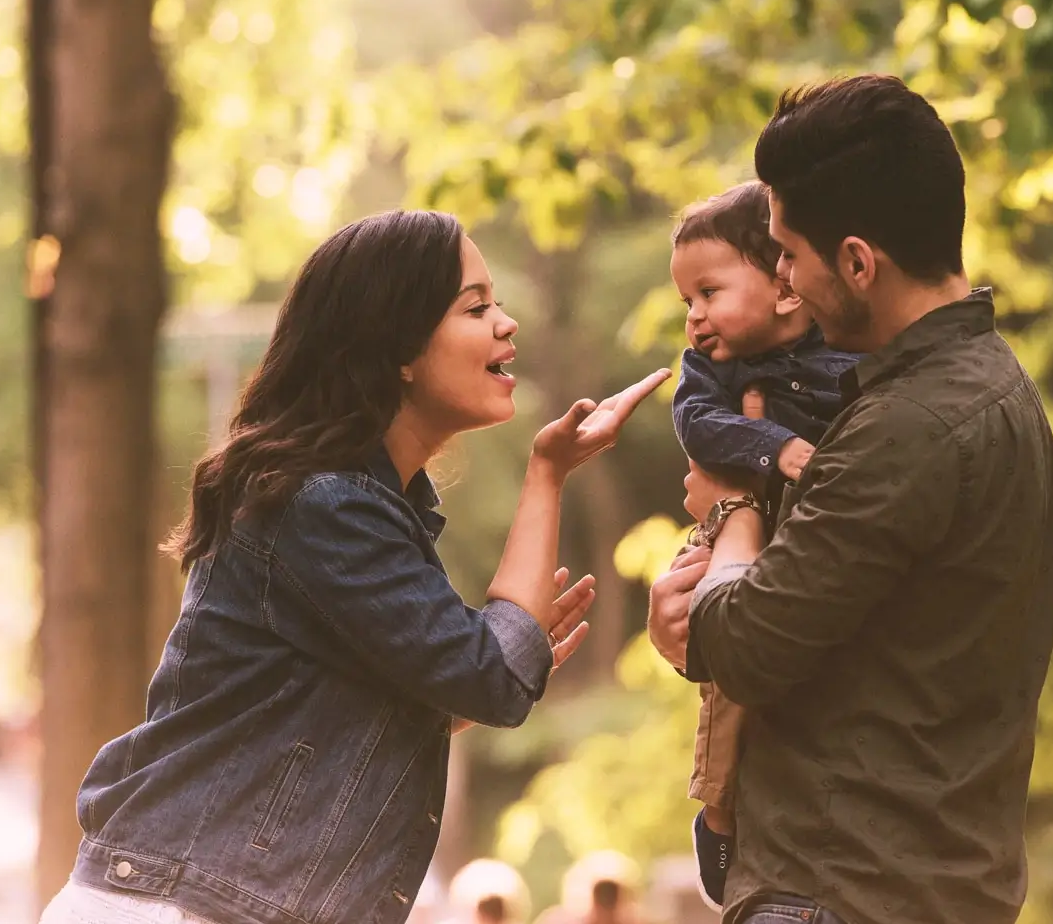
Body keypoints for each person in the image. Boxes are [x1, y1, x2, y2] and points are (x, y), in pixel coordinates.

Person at [38, 209, 669, 924]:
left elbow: (398, 709)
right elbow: (494, 682)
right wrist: (547, 474)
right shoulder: (322, 505)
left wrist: (487, 661)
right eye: (477, 306)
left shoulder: (349, 508)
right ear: (398, 344)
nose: (507, 323)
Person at [647, 75, 1053, 924]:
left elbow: (745, 641)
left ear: (857, 262)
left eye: (788, 256)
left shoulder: (905, 426)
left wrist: (732, 508)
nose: (786, 283)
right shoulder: (995, 389)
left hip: (843, 886)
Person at [667, 182, 859, 905]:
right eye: (687, 301)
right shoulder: (714, 374)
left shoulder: (847, 356)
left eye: (709, 292)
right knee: (728, 688)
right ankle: (719, 814)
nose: (694, 318)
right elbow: (697, 427)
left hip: (808, 560)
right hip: (738, 554)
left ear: (784, 289)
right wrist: (774, 445)